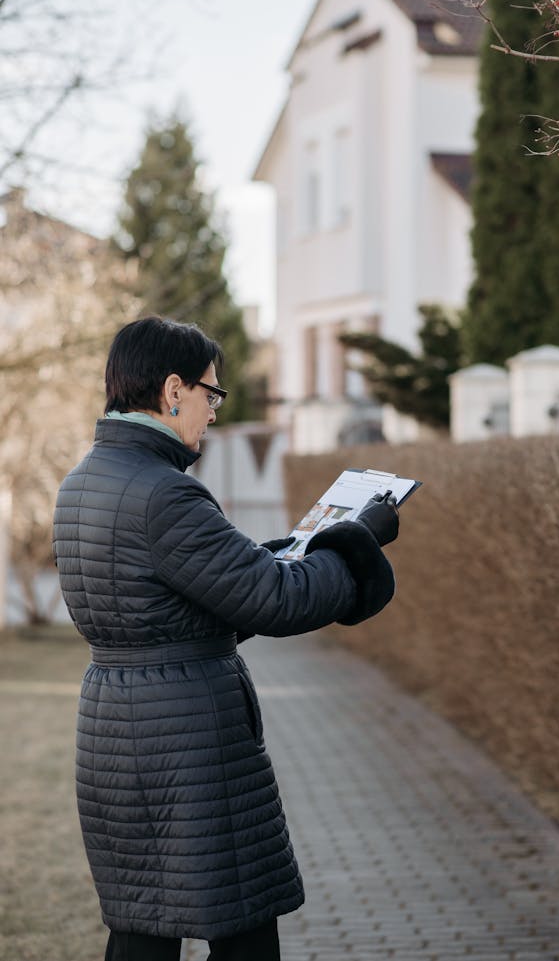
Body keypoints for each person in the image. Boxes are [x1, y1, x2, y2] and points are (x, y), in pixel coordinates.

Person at [52, 316, 399, 961]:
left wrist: (284, 553)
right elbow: (276, 599)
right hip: (188, 736)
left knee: (141, 927)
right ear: (173, 389)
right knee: (242, 928)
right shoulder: (165, 495)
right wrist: (355, 543)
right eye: (213, 394)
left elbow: (187, 593)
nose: (214, 413)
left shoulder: (84, 483)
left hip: (113, 728)